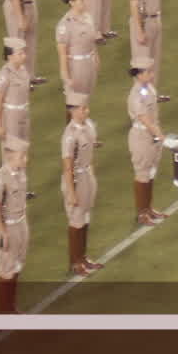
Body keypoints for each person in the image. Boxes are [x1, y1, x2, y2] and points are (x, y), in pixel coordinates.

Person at [126, 55, 172, 227]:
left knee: (151, 172)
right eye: (147, 71)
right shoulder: (136, 95)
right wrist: (162, 137)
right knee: (142, 174)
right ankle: (141, 213)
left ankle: (148, 208)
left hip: (152, 136)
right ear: (138, 74)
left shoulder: (148, 88)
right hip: (142, 137)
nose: (151, 73)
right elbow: (145, 120)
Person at [60, 90, 102, 276]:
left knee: (85, 217)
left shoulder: (89, 126)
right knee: (76, 220)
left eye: (86, 107)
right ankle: (75, 263)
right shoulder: (69, 135)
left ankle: (83, 258)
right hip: (75, 179)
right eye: (83, 108)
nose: (87, 111)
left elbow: (91, 153)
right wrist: (71, 192)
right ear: (72, 111)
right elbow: (67, 167)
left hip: (87, 175)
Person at [0, 135, 29, 313]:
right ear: (11, 156)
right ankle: (3, 311)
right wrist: (3, 232)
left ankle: (11, 307)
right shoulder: (0, 178)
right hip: (8, 226)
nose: (26, 159)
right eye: (22, 156)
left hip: (21, 223)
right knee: (6, 269)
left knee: (17, 265)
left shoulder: (20, 173)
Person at [0, 36, 34, 149]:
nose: (24, 56)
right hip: (11, 116)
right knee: (12, 151)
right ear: (10, 56)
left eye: (23, 53)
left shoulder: (23, 70)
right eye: (20, 54)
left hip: (24, 112)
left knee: (24, 148)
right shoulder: (4, 74)